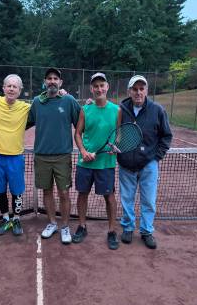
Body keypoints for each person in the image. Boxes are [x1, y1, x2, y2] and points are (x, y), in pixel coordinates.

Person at [117, 75, 172, 249]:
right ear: (129, 91)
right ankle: (127, 228)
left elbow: (167, 135)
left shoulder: (157, 110)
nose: (138, 92)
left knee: (148, 200)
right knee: (127, 198)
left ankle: (146, 231)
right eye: (135, 89)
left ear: (146, 91)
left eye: (142, 89)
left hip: (149, 164)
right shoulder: (120, 110)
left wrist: (156, 157)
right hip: (126, 164)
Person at [28, 67, 81, 245]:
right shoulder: (37, 102)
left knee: (64, 193)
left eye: (55, 78)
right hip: (42, 156)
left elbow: (81, 122)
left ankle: (65, 226)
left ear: (60, 82)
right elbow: (26, 122)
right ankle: (52, 223)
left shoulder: (69, 100)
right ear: (44, 82)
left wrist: (89, 105)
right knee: (47, 191)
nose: (52, 81)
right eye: (49, 78)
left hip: (62, 156)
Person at [73, 72, 121, 250]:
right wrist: (84, 151)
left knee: (109, 197)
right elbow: (78, 133)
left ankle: (111, 231)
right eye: (96, 86)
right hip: (85, 162)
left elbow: (120, 133)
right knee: (82, 194)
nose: (99, 88)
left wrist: (116, 145)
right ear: (91, 89)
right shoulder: (85, 110)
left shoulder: (117, 110)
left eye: (102, 85)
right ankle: (82, 226)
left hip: (106, 163)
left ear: (107, 87)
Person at [0, 74, 30, 236]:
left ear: (20, 90)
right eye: (8, 86)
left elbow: (47, 102)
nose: (11, 89)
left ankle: (16, 218)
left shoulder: (26, 107)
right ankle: (5, 217)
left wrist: (63, 94)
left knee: (17, 191)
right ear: (3, 88)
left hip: (16, 158)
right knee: (0, 190)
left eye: (14, 86)